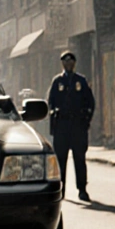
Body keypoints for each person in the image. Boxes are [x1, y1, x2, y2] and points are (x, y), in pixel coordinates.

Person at [47, 51, 95, 202]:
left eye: (71, 61)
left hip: (77, 126)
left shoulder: (81, 81)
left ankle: (82, 189)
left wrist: (86, 119)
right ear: (62, 63)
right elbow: (50, 102)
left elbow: (90, 102)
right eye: (65, 61)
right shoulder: (57, 81)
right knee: (61, 159)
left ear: (74, 63)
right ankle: (61, 189)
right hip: (62, 126)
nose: (68, 64)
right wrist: (53, 114)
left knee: (79, 158)